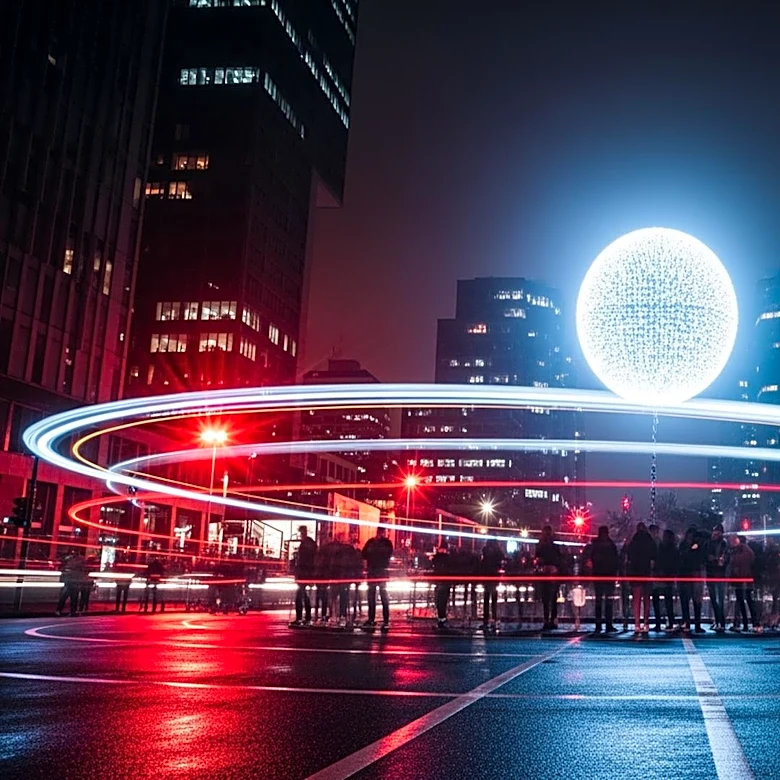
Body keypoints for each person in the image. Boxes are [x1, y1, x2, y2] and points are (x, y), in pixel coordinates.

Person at [585, 525, 619, 633]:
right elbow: (615, 560)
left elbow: (590, 560)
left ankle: (598, 625)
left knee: (599, 601)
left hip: (599, 575)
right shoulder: (611, 545)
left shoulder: (595, 545)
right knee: (608, 601)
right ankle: (608, 624)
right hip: (609, 575)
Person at [627, 522, 656, 633]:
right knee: (647, 599)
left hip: (635, 573)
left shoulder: (633, 542)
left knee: (636, 599)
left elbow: (628, 558)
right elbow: (654, 558)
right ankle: (646, 623)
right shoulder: (650, 542)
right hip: (646, 573)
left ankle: (637, 623)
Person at [362, 526, 393, 629]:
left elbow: (364, 554)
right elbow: (389, 554)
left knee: (372, 596)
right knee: (383, 596)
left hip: (372, 571)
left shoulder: (371, 542)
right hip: (382, 572)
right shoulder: (387, 543)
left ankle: (372, 619)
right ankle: (385, 620)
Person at [729, 535, 760, 633]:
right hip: (746, 579)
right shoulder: (748, 551)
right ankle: (754, 623)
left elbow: (735, 564)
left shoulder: (739, 552)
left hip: (741, 580)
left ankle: (746, 623)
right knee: (749, 601)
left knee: (743, 601)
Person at [678, 527, 706, 633]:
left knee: (695, 600)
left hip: (691, 574)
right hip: (688, 574)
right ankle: (689, 622)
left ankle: (694, 623)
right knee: (687, 599)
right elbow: (684, 557)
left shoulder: (692, 545)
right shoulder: (685, 546)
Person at [535, 525, 562, 631]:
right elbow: (558, 558)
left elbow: (537, 558)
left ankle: (547, 619)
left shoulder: (540, 546)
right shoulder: (554, 546)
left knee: (546, 598)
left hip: (545, 573)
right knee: (551, 598)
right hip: (552, 573)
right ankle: (552, 619)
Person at [705, 523, 729, 632]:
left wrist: (716, 560)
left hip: (719, 575)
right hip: (712, 573)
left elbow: (724, 559)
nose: (715, 534)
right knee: (714, 599)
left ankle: (721, 622)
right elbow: (707, 557)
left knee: (719, 599)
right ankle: (718, 620)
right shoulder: (710, 544)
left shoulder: (723, 544)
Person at [292, 526, 316, 626]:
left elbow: (303, 559)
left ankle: (300, 617)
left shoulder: (306, 544)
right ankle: (307, 616)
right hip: (307, 572)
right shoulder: (311, 543)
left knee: (300, 595)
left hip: (304, 572)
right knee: (304, 595)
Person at [656, 529, 679, 630]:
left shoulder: (661, 547)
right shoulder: (673, 548)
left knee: (660, 600)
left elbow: (659, 560)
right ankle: (670, 621)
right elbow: (676, 562)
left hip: (662, 575)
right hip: (668, 576)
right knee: (668, 601)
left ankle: (659, 622)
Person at [480, 539, 503, 631]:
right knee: (493, 598)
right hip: (494, 576)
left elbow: (482, 563)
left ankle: (486, 620)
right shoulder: (497, 552)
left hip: (487, 575)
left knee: (486, 598)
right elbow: (501, 560)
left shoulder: (485, 551)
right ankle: (494, 618)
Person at [55, 550, 85, 617]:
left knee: (67, 597)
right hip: (73, 581)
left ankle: (61, 610)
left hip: (72, 581)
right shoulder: (78, 560)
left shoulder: (73, 560)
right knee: (72, 597)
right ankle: (71, 611)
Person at [648, 524, 665, 631]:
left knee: (655, 598)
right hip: (659, 574)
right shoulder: (661, 543)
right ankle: (660, 621)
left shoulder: (652, 543)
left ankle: (658, 621)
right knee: (658, 599)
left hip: (654, 574)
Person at [432, 542, 452, 628]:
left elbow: (433, 564)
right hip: (446, 581)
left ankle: (440, 617)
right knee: (443, 600)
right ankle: (442, 618)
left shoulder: (436, 557)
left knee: (438, 600)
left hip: (438, 580)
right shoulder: (448, 558)